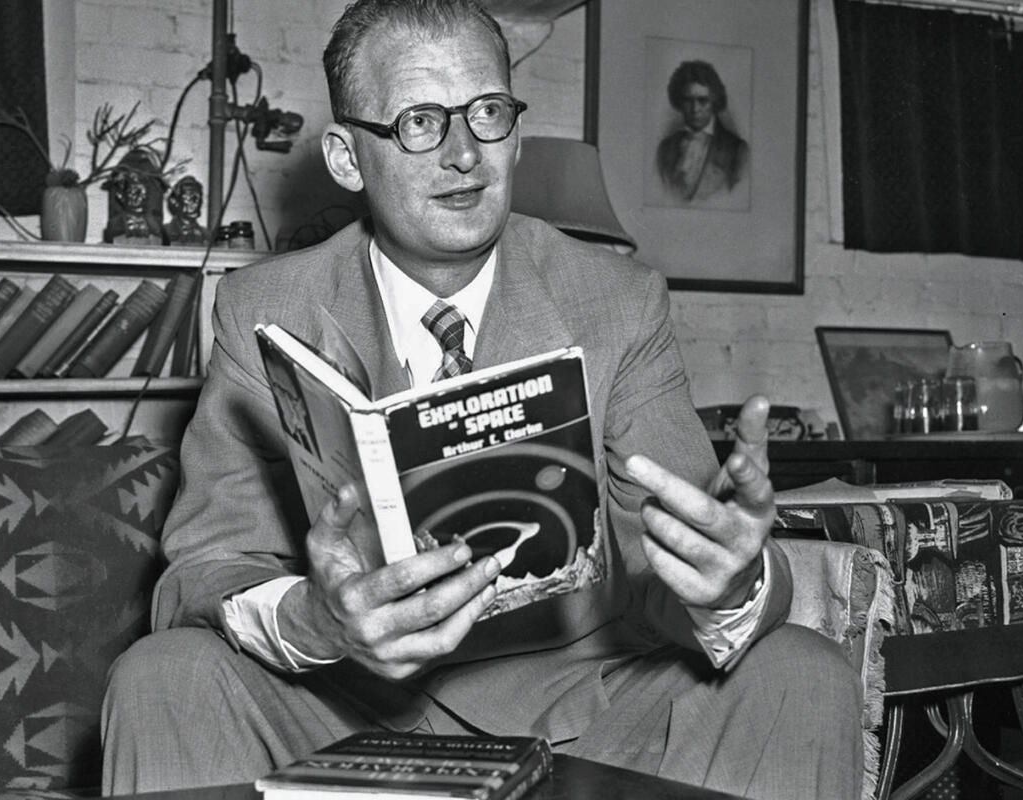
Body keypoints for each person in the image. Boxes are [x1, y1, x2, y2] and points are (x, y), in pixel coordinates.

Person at [101, 2, 862, 799]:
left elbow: (664, 566)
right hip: (344, 707)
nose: (464, 154)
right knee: (164, 677)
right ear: (347, 157)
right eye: (421, 122)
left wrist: (729, 583)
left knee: (801, 675)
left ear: (516, 133)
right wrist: (318, 620)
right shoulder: (265, 309)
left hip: (584, 716)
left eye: (488, 113)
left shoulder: (618, 302)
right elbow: (203, 570)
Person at [657, 60, 748, 203]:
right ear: (679, 102)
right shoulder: (666, 148)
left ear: (715, 102)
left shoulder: (737, 150)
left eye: (703, 101)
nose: (695, 109)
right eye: (688, 100)